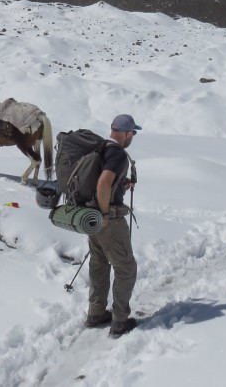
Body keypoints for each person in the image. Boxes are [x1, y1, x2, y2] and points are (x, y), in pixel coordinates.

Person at [85, 113, 142, 338]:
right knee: (126, 268)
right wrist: (106, 213)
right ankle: (119, 321)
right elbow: (102, 183)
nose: (133, 137)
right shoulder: (117, 153)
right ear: (126, 132)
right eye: (133, 133)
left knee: (99, 264)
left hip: (89, 217)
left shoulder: (100, 148)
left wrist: (120, 187)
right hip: (109, 220)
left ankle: (96, 313)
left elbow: (103, 182)